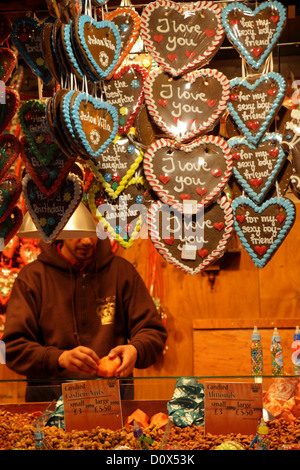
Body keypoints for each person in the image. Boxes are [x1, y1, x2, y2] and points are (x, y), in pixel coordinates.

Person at [2, 235, 167, 401]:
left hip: (114, 407)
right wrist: (58, 358)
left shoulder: (122, 272)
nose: (87, 241)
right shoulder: (32, 277)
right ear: (63, 229)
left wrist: (136, 350)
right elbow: (12, 348)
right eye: (78, 233)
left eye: (92, 231)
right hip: (49, 408)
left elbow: (153, 333)